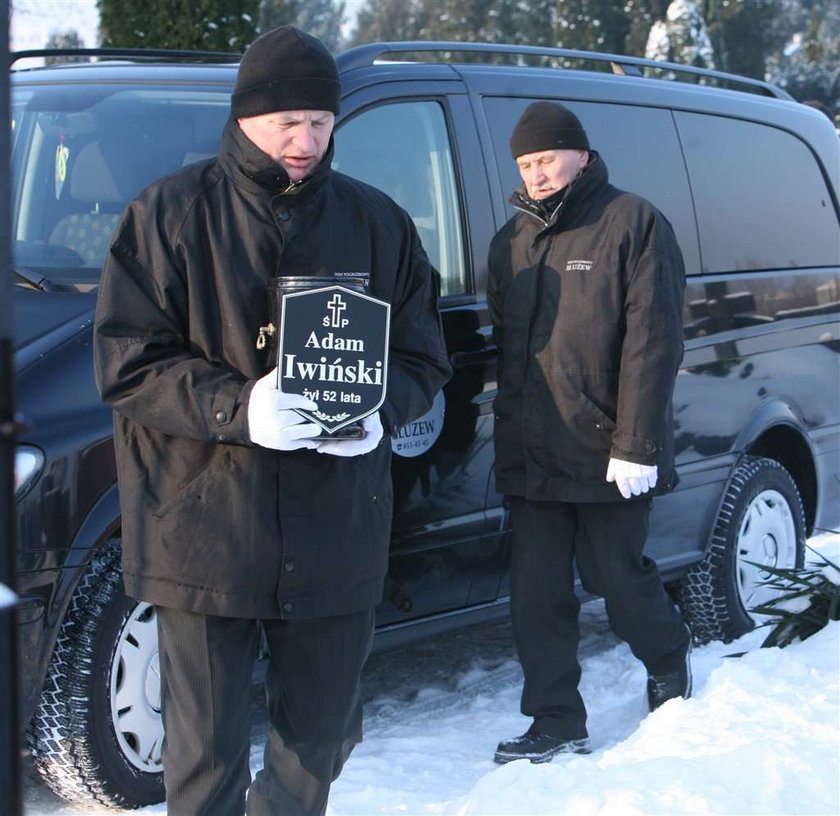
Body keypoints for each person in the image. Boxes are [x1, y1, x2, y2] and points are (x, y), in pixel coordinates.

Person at [93, 25, 451, 816]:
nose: (306, 139)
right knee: (203, 757)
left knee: (320, 742)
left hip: (334, 530)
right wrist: (239, 405)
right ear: (244, 117)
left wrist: (380, 409)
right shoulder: (168, 216)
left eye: (321, 122)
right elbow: (126, 363)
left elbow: (425, 357)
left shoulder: (378, 223)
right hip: (205, 530)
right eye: (286, 121)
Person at [487, 101, 691, 764]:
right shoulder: (510, 241)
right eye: (525, 163)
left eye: (546, 158)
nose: (537, 173)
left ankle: (667, 658)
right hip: (532, 455)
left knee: (617, 580)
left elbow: (653, 342)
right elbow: (510, 350)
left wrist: (637, 444)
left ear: (580, 153)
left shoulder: (631, 223)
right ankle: (555, 718)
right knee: (537, 597)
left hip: (606, 450)